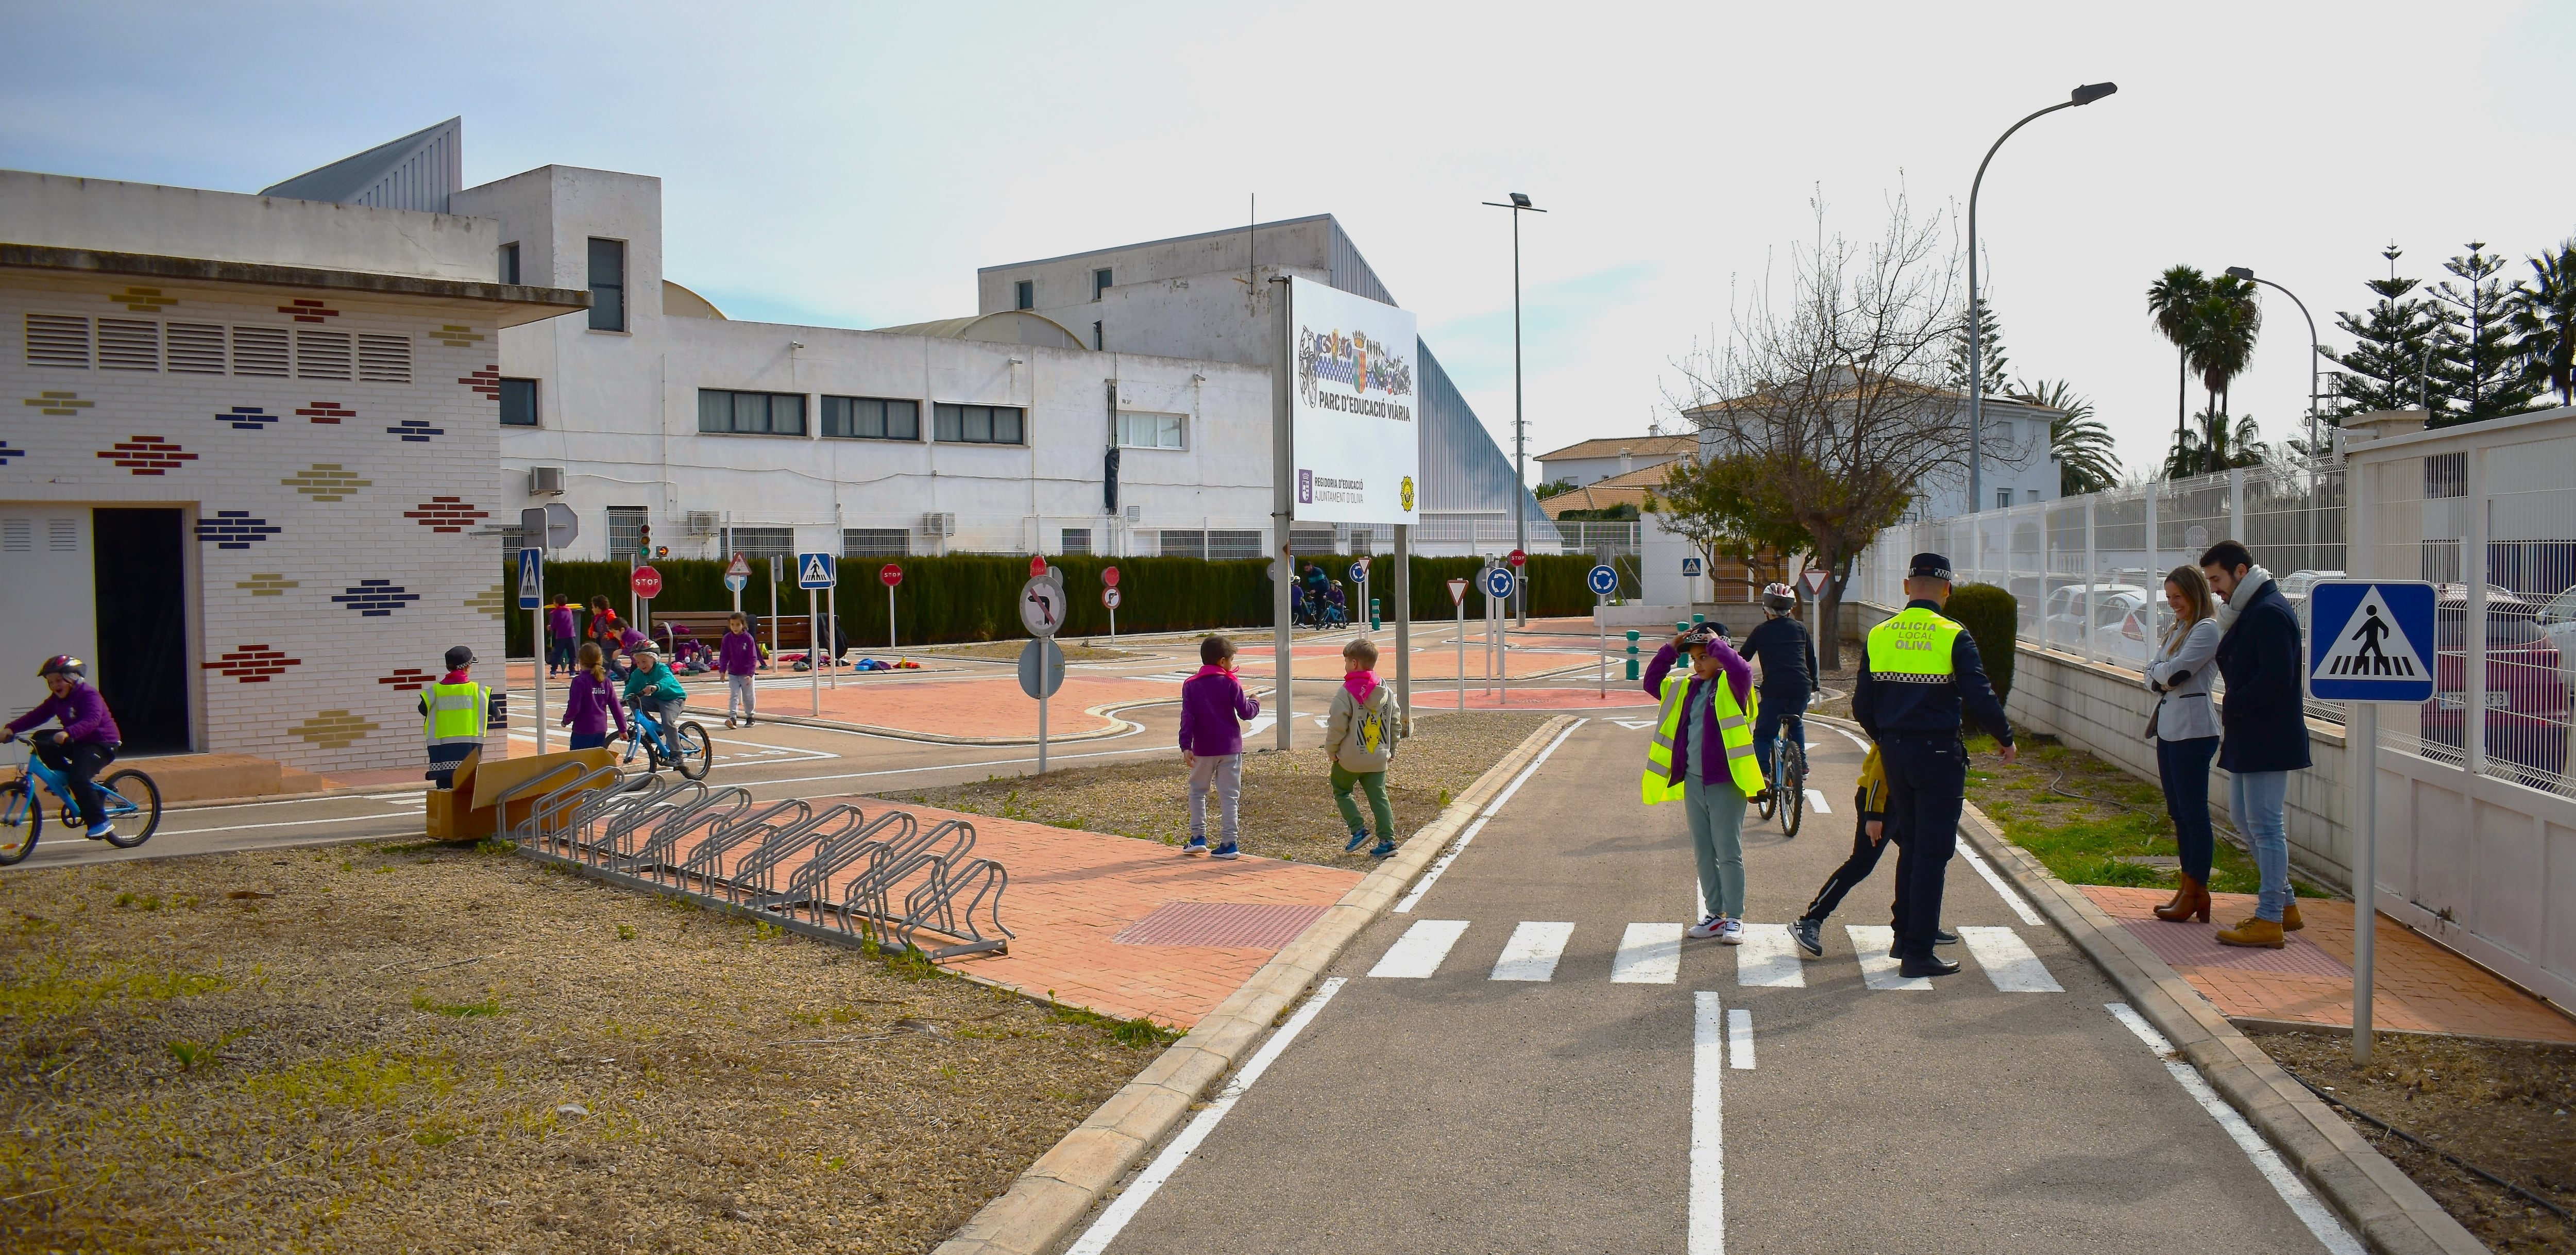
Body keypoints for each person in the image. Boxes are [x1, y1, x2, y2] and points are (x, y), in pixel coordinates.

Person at [1851, 553, 2016, 978]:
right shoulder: (1953, 635)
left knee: (1910, 844)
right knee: (1932, 852)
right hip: (1938, 755)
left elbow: (1861, 705)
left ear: (1907, 587)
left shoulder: (1880, 634)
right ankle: (1918, 952)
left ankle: (1904, 935)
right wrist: (2004, 735)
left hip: (1895, 752)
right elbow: (1979, 693)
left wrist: (1886, 737)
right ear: (1947, 590)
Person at [2201, 539, 2310, 948]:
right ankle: (2285, 905)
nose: (2214, 589)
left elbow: (2276, 678)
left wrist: (2235, 702)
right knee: (2247, 821)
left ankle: (2269, 918)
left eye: (2217, 579)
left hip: (2268, 735)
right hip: (2253, 733)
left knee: (2265, 825)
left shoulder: (2268, 612)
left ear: (2241, 572)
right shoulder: (2253, 609)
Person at [1641, 625, 1766, 944]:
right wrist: (1671, 649)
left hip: (1727, 781)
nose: (1698, 664)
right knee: (1703, 850)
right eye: (1695, 658)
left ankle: (1734, 917)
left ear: (1720, 657)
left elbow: (1743, 669)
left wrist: (1718, 647)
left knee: (1728, 850)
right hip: (1694, 781)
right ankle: (1714, 914)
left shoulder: (1734, 686)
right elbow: (1652, 682)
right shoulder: (1686, 689)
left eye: (1704, 657)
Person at [2147, 564, 2224, 925]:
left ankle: (2197, 889)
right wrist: (2161, 674)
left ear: (2195, 593)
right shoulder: (2179, 628)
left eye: (2178, 596)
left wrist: (2161, 673)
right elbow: (2152, 672)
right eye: (2169, 597)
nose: (2173, 603)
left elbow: (2176, 673)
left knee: (2194, 813)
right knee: (2178, 812)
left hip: (2194, 731)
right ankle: (2188, 887)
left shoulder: (2207, 629)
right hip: (2169, 727)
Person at [2, 656, 123, 839]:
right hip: (79, 742)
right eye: (50, 682)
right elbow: (37, 716)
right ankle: (66, 777)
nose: (54, 686)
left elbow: (92, 720)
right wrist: (11, 728)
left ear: (73, 678)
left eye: (59, 680)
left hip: (103, 744)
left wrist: (68, 733)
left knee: (79, 779)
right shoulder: (57, 699)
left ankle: (101, 822)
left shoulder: (88, 695)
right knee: (41, 739)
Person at [1177, 634, 1259, 860]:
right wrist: (1255, 701)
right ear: (1223, 661)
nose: (1232, 665)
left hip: (1203, 748)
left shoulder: (1191, 684)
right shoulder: (1231, 682)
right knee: (1230, 795)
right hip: (1230, 747)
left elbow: (1188, 717)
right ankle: (1230, 843)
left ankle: (1198, 838)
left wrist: (1186, 745)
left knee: (1197, 791)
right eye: (1231, 660)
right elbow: (1246, 712)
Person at [1325, 637, 1402, 859]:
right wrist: (1392, 749)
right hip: (1378, 755)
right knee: (1379, 796)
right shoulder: (1385, 690)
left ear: (1355, 663)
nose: (1346, 666)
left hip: (1350, 757)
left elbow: (1337, 725)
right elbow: (1395, 722)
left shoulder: (1346, 692)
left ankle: (1358, 830)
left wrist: (1332, 751)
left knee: (1342, 789)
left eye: (1347, 662)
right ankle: (1388, 841)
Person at [1742, 581, 1819, 791]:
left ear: (1765, 609)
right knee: (1796, 723)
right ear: (1790, 609)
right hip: (1801, 687)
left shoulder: (1760, 632)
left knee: (1764, 734)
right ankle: (1801, 765)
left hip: (1774, 689)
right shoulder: (1800, 628)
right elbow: (1810, 659)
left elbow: (1742, 659)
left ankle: (1764, 773)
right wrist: (1815, 685)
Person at [417, 646, 493, 791]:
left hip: (442, 756)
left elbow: (422, 709)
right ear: (467, 667)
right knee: (466, 795)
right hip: (468, 754)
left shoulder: (436, 692)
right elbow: (495, 711)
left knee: (445, 795)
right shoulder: (478, 691)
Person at [562, 641, 626, 751]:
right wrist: (623, 729)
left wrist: (566, 720)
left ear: (581, 661)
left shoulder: (579, 681)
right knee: (595, 763)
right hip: (601, 729)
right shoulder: (606, 681)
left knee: (579, 762)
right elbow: (616, 707)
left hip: (583, 729)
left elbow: (574, 707)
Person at [621, 642, 687, 745]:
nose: (641, 665)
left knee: (667, 723)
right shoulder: (637, 674)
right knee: (634, 702)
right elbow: (631, 687)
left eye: (644, 661)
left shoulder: (662, 668)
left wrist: (656, 687)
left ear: (654, 659)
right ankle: (655, 728)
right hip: (657, 700)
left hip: (674, 699)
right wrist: (625, 698)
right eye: (638, 662)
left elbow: (667, 679)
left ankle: (677, 755)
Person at [720, 612, 760, 728]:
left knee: (749, 696)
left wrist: (750, 673)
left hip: (746, 673)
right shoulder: (727, 639)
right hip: (733, 672)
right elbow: (724, 655)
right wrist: (723, 671)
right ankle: (733, 718)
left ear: (743, 625)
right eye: (732, 625)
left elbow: (753, 657)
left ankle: (750, 716)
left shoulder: (748, 639)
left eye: (738, 625)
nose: (735, 627)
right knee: (734, 694)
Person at [545, 593, 580, 677]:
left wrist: (550, 627)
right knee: (572, 654)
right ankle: (572, 671)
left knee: (557, 654)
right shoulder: (569, 611)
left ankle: (553, 671)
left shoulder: (557, 612)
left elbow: (555, 625)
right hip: (571, 635)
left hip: (561, 636)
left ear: (557, 603)